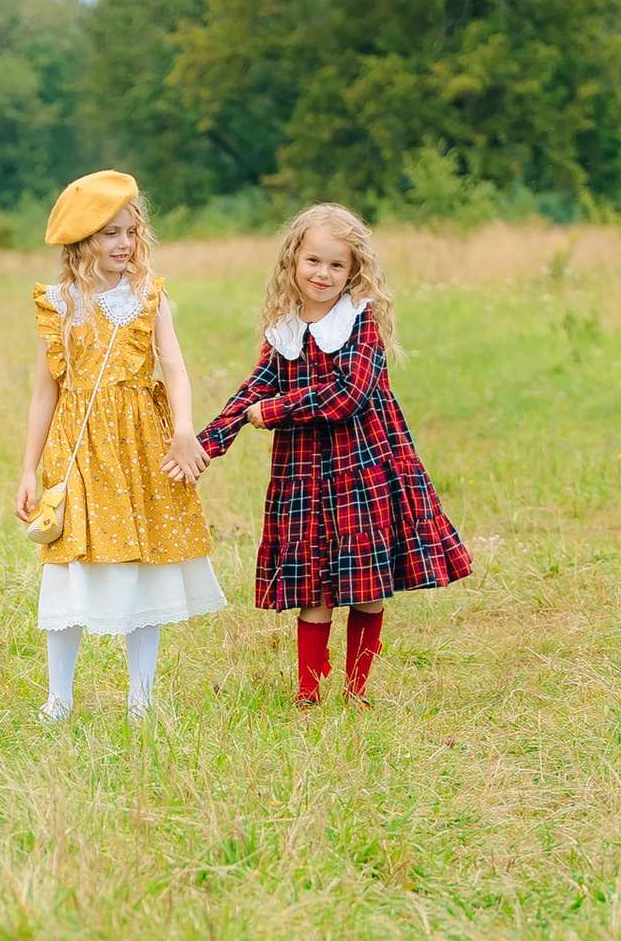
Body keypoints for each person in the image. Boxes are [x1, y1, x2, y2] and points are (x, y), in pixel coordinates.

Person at [195, 202, 470, 702]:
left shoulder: (360, 322)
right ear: (292, 263)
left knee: (365, 586)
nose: (323, 274)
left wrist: (276, 411)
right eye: (313, 261)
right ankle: (309, 693)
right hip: (302, 475)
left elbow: (349, 393)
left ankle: (356, 690)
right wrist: (206, 445)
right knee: (312, 586)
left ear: (354, 271)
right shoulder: (284, 331)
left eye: (336, 265)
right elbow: (253, 390)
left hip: (362, 470)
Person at [15, 170, 224, 724]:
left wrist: (184, 428)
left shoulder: (147, 296)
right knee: (70, 564)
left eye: (131, 232)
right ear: (83, 240)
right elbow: (45, 391)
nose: (124, 244)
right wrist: (28, 469)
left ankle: (142, 697)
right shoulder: (58, 303)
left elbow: (175, 367)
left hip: (138, 444)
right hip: (77, 450)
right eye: (109, 234)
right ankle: (59, 697)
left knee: (142, 559)